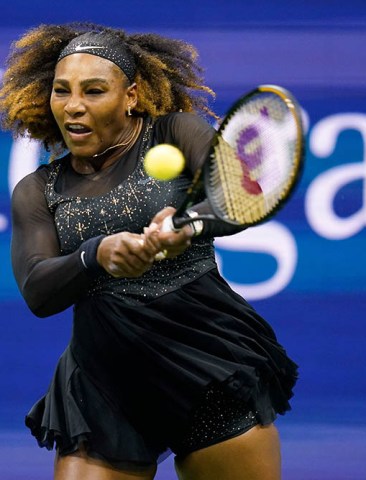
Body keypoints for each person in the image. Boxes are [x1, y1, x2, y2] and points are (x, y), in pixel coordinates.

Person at [0, 22, 298, 480]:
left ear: (131, 96)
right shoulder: (38, 190)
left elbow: (243, 197)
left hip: (207, 365)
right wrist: (96, 254)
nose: (73, 106)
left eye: (94, 91)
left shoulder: (176, 131)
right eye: (62, 91)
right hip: (105, 385)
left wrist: (188, 225)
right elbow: (38, 291)